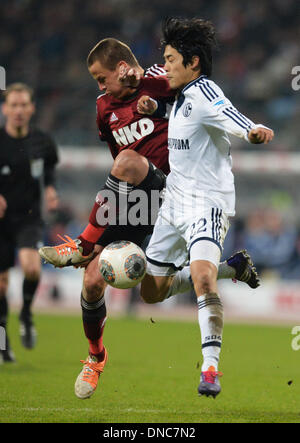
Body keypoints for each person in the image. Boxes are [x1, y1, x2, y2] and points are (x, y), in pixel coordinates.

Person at [39, 38, 259, 400]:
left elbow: (191, 99)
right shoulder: (103, 108)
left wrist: (155, 103)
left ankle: (83, 243)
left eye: (101, 77)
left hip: (173, 192)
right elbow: (117, 166)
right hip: (136, 199)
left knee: (127, 160)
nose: (99, 86)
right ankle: (96, 358)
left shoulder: (163, 78)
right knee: (99, 282)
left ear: (123, 68)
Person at [138, 17, 274, 398]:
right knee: (150, 292)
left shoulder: (205, 90)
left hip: (207, 203)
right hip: (174, 203)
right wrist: (154, 111)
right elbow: (188, 124)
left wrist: (251, 129)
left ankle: (211, 370)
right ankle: (232, 268)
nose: (164, 66)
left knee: (201, 279)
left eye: (170, 59)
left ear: (193, 62)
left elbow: (226, 113)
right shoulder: (180, 99)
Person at [0, 83, 59, 363]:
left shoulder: (43, 142)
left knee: (31, 267)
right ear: (4, 109)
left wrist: (50, 189)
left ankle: (25, 312)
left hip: (29, 217)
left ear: (32, 108)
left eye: (24, 105)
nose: (19, 110)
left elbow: (48, 170)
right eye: (14, 105)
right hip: (1, 221)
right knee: (0, 285)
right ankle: (3, 338)